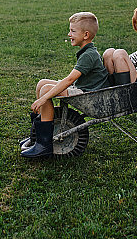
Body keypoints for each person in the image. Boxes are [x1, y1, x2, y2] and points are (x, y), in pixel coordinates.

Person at [20, 12, 109, 158]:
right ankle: (38, 136)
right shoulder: (87, 51)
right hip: (84, 89)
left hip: (89, 94)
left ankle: (44, 145)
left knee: (46, 90)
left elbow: (69, 80)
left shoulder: (89, 55)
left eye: (73, 31)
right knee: (42, 83)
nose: (69, 34)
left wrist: (44, 99)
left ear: (86, 35)